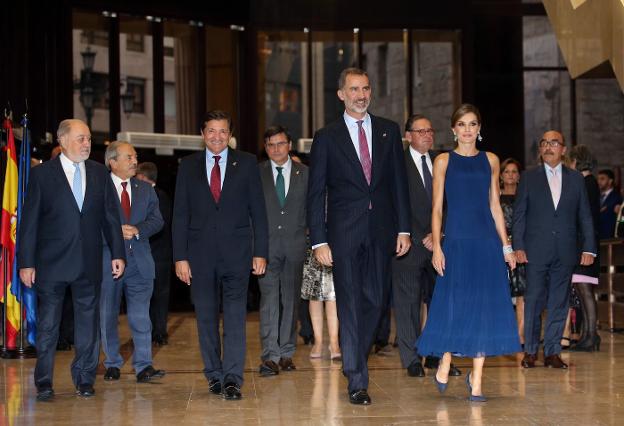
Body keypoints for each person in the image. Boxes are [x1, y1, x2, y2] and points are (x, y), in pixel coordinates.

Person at [307, 67, 411, 405]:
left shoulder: (388, 131)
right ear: (341, 94)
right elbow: (316, 192)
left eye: (365, 88)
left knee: (376, 301)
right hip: (343, 234)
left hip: (382, 231)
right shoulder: (327, 137)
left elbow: (399, 184)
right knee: (349, 303)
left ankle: (353, 355)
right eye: (353, 89)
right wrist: (319, 240)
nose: (360, 95)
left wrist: (404, 228)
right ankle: (356, 376)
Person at [416, 104, 520, 402]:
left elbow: (495, 206)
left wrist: (506, 246)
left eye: (472, 124)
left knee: (484, 306)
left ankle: (477, 380)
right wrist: (437, 246)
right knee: (455, 303)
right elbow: (436, 209)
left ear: (479, 128)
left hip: (486, 241)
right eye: (461, 124)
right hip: (457, 242)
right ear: (453, 129)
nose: (467, 129)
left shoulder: (491, 160)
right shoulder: (443, 161)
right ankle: (446, 358)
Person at [18, 119, 125, 401]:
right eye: (80, 139)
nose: (87, 144)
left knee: (88, 326)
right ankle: (44, 382)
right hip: (51, 264)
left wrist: (117, 253)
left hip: (88, 263)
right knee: (48, 327)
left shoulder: (100, 173)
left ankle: (85, 378)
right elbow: (29, 223)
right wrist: (26, 263)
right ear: (63, 141)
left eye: (88, 138)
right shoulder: (42, 175)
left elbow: (111, 217)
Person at [172, 110, 268, 400]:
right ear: (202, 134)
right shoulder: (187, 166)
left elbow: (258, 212)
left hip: (237, 255)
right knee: (205, 318)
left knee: (236, 318)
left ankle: (232, 378)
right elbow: (180, 215)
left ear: (230, 134)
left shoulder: (248, 163)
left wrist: (260, 252)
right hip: (199, 257)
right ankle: (213, 374)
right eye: (211, 131)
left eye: (223, 131)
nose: (217, 136)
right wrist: (180, 257)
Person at [513, 130, 596, 369]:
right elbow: (519, 215)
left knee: (559, 302)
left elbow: (585, 216)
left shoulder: (576, 179)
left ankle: (552, 352)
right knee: (534, 300)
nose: (548, 147)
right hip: (535, 250)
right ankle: (530, 351)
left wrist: (589, 248)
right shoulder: (529, 177)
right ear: (540, 149)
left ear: (563, 149)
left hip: (566, 250)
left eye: (554, 143)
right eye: (544, 143)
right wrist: (518, 245)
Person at [392, 114, 461, 378]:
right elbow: (392, 202)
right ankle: (411, 358)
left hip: (439, 244)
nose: (427, 135)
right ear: (408, 135)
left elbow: (452, 201)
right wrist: (406, 232)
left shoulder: (442, 161)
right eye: (421, 131)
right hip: (407, 243)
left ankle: (436, 356)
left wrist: (439, 233)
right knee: (407, 303)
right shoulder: (396, 162)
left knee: (440, 302)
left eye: (430, 130)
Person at [99, 142, 165, 383]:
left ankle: (144, 365)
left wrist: (137, 230)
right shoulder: (99, 188)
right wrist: (114, 232)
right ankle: (112, 363)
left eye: (135, 156)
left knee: (140, 315)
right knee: (108, 313)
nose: (134, 161)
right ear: (112, 162)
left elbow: (157, 221)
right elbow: (90, 222)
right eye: (129, 157)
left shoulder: (145, 189)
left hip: (141, 262)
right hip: (108, 260)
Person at [257, 125, 309, 376]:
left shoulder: (306, 173)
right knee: (269, 301)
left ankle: (287, 352)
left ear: (290, 145)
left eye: (280, 143)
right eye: (270, 145)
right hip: (265, 248)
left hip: (295, 246)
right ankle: (270, 355)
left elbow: (317, 207)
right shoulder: (257, 174)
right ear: (265, 148)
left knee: (290, 300)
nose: (276, 149)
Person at [567, 145, 601, 352]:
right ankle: (589, 335)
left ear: (576, 161)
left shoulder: (586, 183)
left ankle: (591, 335)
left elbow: (585, 218)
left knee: (585, 290)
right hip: (584, 246)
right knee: (583, 290)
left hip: (585, 247)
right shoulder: (589, 182)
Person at [136, 161, 173, 346]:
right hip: (149, 254)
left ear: (143, 177)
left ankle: (159, 331)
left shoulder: (160, 196)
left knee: (160, 295)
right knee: (146, 295)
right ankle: (150, 331)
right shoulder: (143, 195)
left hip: (159, 255)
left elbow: (160, 225)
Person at [499, 158, 527, 347]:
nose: (510, 174)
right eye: (507, 171)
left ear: (519, 176)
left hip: (520, 249)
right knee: (501, 292)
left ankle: (520, 335)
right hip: (498, 248)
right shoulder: (494, 197)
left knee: (522, 293)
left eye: (514, 171)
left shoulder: (525, 196)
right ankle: (502, 334)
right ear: (501, 175)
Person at [301, 243, 341, 360]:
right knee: (314, 294)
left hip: (335, 240)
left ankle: (334, 343)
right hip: (313, 244)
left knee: (333, 293)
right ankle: (318, 342)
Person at [597, 169, 622, 239]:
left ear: (610, 181)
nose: (599, 182)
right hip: (597, 236)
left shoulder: (617, 198)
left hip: (609, 237)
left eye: (602, 179)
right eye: (598, 179)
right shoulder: (596, 196)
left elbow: (621, 219)